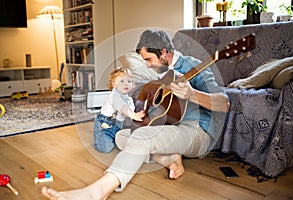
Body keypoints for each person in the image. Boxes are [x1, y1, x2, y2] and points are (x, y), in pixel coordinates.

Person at [41, 29, 230, 200]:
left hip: (197, 131)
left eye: (149, 60)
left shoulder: (194, 67)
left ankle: (96, 192)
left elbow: (224, 103)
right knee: (121, 136)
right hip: (171, 129)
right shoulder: (164, 74)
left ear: (163, 52)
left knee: (140, 137)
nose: (147, 66)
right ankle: (169, 159)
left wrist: (191, 94)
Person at [93, 67, 145, 153]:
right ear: (113, 84)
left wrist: (138, 118)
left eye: (129, 81)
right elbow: (123, 108)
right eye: (122, 81)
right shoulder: (114, 96)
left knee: (122, 139)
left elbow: (131, 112)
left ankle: (113, 138)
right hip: (105, 125)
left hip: (118, 126)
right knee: (105, 149)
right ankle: (98, 140)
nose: (126, 84)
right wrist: (134, 116)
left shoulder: (129, 99)